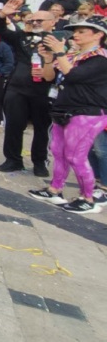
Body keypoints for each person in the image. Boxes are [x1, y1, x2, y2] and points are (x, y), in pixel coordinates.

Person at [28, 17, 107, 214]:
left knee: (76, 156)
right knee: (58, 151)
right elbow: (49, 76)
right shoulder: (73, 55)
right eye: (75, 31)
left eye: (82, 31)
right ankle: (55, 189)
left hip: (87, 112)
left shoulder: (100, 58)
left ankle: (87, 198)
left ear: (98, 35)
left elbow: (73, 75)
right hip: (63, 109)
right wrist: (48, 58)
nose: (76, 35)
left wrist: (60, 52)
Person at [0, 0, 56, 175]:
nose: (35, 23)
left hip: (43, 91)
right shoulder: (22, 37)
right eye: (32, 20)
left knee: (42, 128)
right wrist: (2, 15)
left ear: (53, 22)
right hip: (17, 89)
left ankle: (39, 162)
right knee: (13, 125)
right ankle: (13, 160)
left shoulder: (61, 39)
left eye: (39, 20)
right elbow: (0, 30)